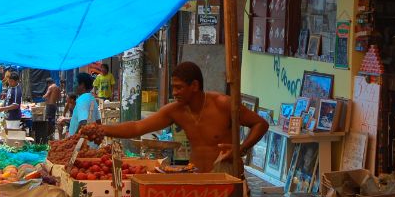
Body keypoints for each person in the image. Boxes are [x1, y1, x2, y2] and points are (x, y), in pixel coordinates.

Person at [80, 62, 269, 174]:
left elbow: (260, 124)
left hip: (227, 176)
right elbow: (138, 127)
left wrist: (241, 149)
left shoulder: (222, 103)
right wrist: (103, 129)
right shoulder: (175, 110)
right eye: (173, 87)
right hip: (196, 176)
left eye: (179, 87)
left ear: (194, 86)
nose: (174, 92)